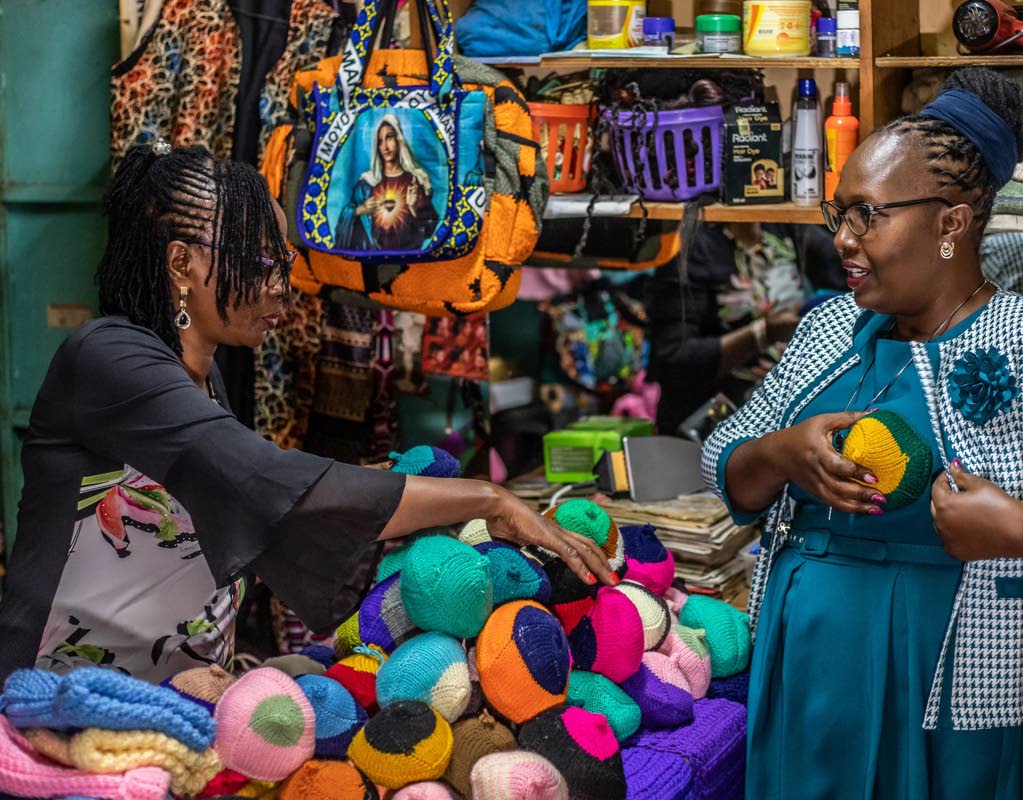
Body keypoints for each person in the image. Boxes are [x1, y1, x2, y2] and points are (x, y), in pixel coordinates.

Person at [701, 68, 1023, 798]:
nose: (843, 238)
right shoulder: (829, 329)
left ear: (951, 223)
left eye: (867, 215)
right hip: (814, 666)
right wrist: (779, 453)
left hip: (970, 682)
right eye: (837, 213)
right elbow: (726, 462)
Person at [0, 143, 615, 683]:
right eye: (258, 261)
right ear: (182, 263)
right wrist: (489, 499)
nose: (279, 285)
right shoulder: (106, 356)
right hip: (61, 702)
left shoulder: (205, 373)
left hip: (176, 706)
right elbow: (260, 481)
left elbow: (242, 494)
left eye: (282, 263)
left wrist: (370, 486)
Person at [648, 221, 843, 436]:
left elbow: (845, 262)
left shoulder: (783, 226)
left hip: (781, 420)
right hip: (713, 423)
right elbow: (674, 358)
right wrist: (762, 333)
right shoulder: (694, 247)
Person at [335, 114, 437, 252]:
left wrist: (414, 209)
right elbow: (344, 219)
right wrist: (359, 210)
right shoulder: (367, 184)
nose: (385, 147)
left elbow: (431, 228)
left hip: (409, 258)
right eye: (380, 141)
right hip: (370, 258)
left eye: (389, 137)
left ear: (399, 139)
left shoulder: (415, 181)